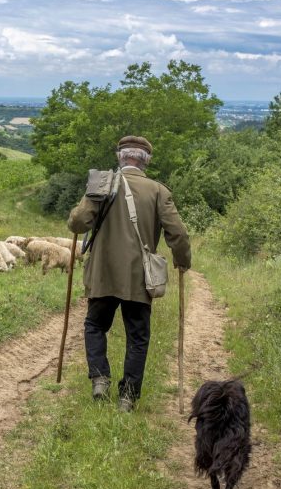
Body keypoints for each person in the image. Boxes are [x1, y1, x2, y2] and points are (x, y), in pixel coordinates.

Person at [67, 135, 191, 412]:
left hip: (103, 273)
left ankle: (100, 378)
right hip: (139, 276)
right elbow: (178, 233)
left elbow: (77, 224)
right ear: (145, 160)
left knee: (95, 326)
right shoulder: (158, 191)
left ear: (120, 157)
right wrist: (182, 261)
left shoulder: (101, 184)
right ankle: (127, 398)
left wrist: (86, 201)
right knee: (138, 337)